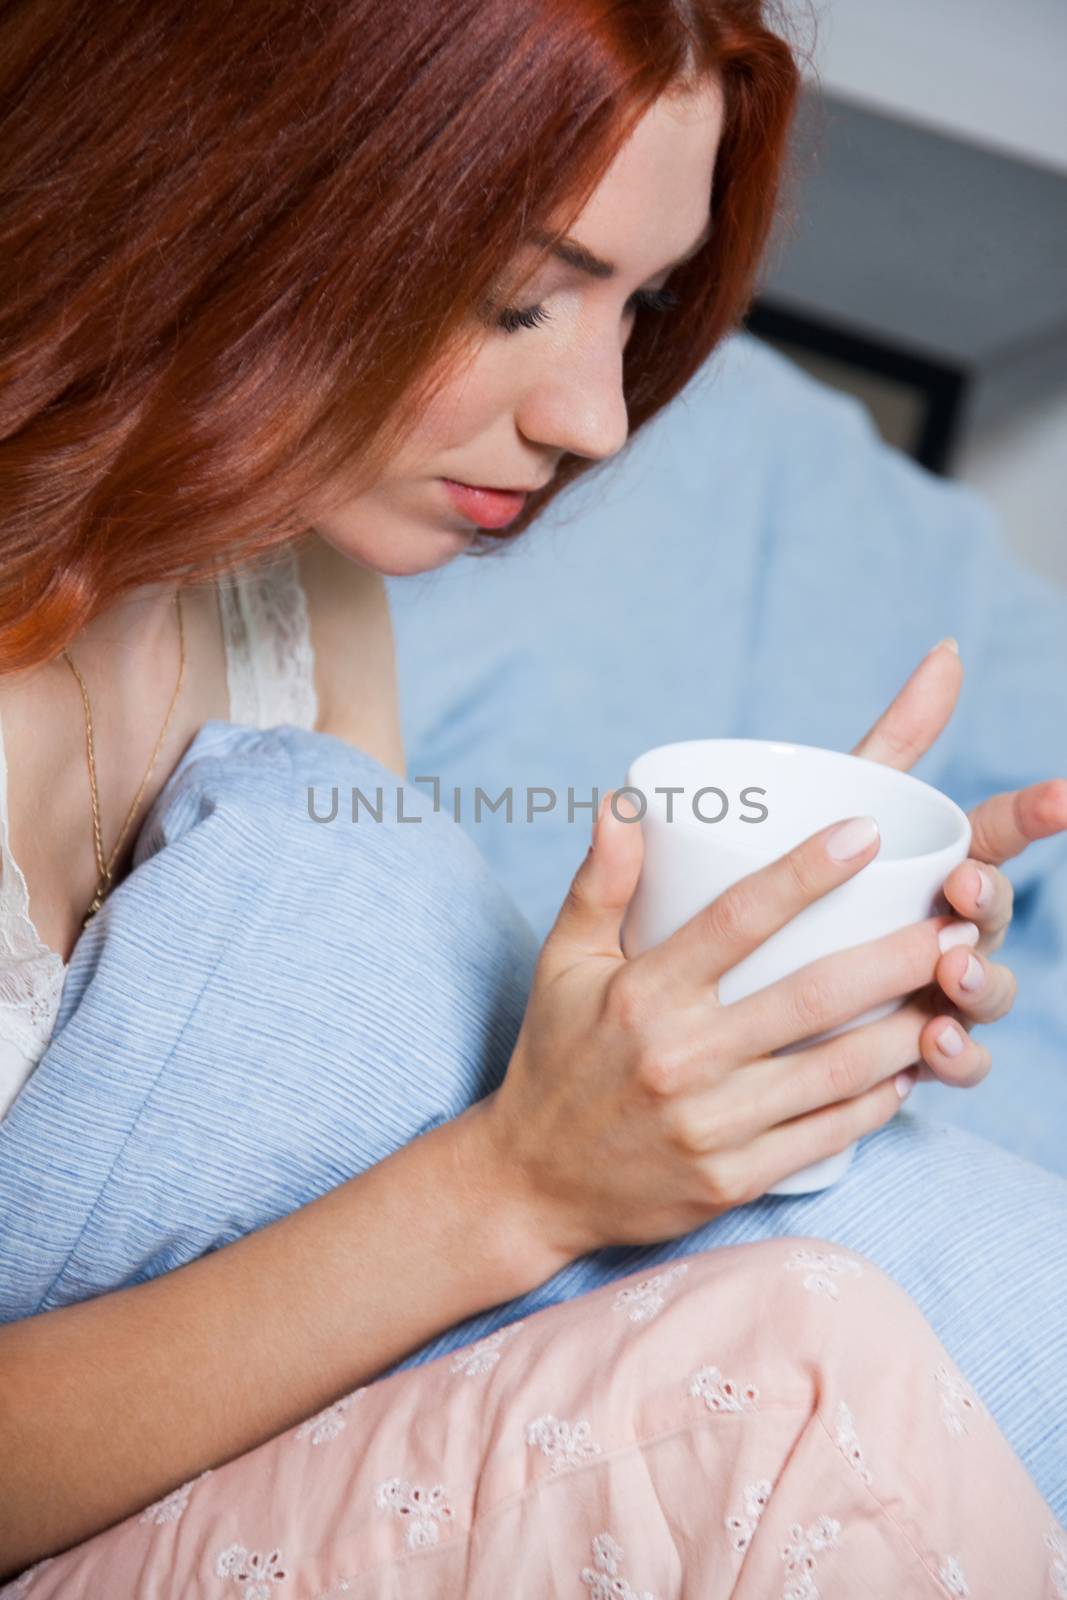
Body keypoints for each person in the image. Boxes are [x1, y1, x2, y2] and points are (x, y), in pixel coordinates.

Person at [0, 0, 1064, 1583]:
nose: (598, 418)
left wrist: (742, 1024)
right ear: (210, 190)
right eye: (516, 305)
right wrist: (523, 1184)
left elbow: (354, 1118)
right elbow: (466, 1186)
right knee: (816, 1373)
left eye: (635, 310)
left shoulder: (293, 596)